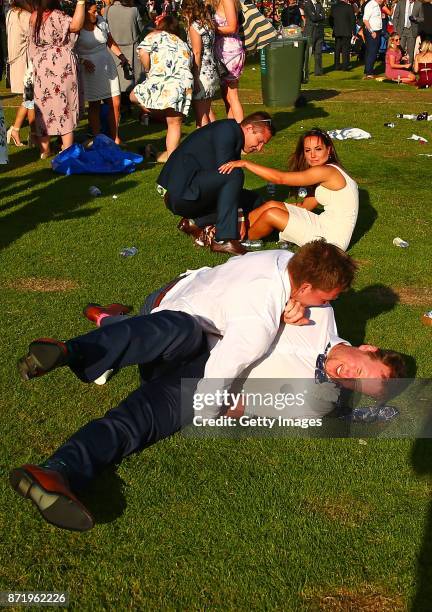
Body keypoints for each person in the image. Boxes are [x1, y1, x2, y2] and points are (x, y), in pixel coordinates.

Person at [11, 298, 406, 531]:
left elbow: (248, 407)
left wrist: (239, 406)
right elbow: (276, 277)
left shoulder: (316, 394)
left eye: (356, 386)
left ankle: (56, 471)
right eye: (361, 371)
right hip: (189, 333)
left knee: (135, 423)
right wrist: (289, 297)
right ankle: (72, 349)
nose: (348, 378)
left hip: (199, 379)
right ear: (368, 348)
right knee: (172, 330)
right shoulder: (319, 311)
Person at [218, 128, 359, 252]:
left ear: (329, 150)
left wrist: (245, 163)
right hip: (323, 223)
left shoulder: (326, 171)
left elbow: (281, 179)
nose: (313, 155)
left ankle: (236, 240)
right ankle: (228, 228)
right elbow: (306, 207)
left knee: (271, 214)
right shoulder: (329, 171)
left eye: (318, 149)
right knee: (272, 205)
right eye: (308, 150)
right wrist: (282, 208)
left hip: (331, 240)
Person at [158, 111, 274, 256]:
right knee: (235, 173)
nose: (260, 148)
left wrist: (239, 211)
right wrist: (239, 214)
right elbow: (226, 173)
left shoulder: (231, 132)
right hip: (182, 194)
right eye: (260, 141)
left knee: (255, 201)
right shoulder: (227, 130)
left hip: (194, 190)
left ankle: (195, 222)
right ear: (249, 128)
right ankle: (224, 239)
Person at [130, 16, 193, 163]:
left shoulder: (154, 35)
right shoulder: (182, 42)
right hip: (183, 82)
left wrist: (147, 69)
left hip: (164, 78)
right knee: (174, 123)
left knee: (134, 96)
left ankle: (155, 113)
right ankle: (172, 160)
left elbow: (143, 52)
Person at [28, 0, 85, 158]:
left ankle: (44, 149)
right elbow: (75, 26)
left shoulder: (33, 17)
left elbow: (31, 45)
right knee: (64, 104)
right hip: (60, 64)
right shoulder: (58, 15)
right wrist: (81, 3)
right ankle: (67, 148)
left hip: (41, 64)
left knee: (43, 106)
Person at [75, 0, 128, 145]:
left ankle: (115, 137)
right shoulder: (77, 27)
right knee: (94, 105)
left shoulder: (101, 21)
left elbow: (110, 41)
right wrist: (83, 61)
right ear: (84, 13)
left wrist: (122, 56)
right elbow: (70, 51)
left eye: (97, 10)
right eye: (93, 11)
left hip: (107, 64)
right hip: (90, 70)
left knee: (116, 103)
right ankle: (98, 138)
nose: (97, 13)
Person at [183, 0, 218, 128]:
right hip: (211, 70)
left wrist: (195, 77)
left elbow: (197, 53)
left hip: (202, 73)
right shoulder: (208, 24)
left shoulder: (194, 27)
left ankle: (204, 144)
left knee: (201, 118)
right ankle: (217, 139)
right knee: (208, 111)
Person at [104, 0, 145, 108]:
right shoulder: (134, 10)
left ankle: (119, 106)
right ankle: (129, 105)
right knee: (133, 78)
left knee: (115, 79)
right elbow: (141, 29)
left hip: (113, 49)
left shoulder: (108, 10)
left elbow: (103, 29)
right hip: (130, 47)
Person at [6, 0, 36, 147]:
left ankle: (19, 130)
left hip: (18, 60)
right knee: (31, 98)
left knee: (29, 98)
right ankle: (31, 133)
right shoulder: (25, 16)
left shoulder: (11, 13)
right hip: (25, 62)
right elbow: (34, 37)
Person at [211, 0, 245, 122]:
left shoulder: (227, 1)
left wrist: (210, 28)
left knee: (232, 96)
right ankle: (232, 128)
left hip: (229, 51)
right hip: (221, 50)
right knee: (227, 96)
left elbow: (232, 27)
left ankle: (240, 130)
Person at [329, 0, 356, 71]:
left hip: (337, 30)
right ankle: (345, 66)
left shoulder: (334, 7)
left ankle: (336, 65)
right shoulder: (349, 7)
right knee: (346, 49)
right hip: (346, 30)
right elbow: (352, 19)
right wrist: (354, 31)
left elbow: (330, 19)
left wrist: (334, 27)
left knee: (337, 48)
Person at [303, 0, 326, 79]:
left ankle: (318, 71)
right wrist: (319, 16)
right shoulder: (308, 4)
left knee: (318, 52)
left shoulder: (319, 4)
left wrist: (319, 16)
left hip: (319, 31)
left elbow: (323, 16)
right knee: (308, 53)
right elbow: (313, 18)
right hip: (310, 31)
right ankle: (304, 71)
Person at [362, 0, 385, 78]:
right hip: (372, 31)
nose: (382, 0)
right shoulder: (371, 5)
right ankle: (369, 72)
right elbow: (365, 20)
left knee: (372, 51)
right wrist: (372, 31)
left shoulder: (377, 5)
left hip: (377, 31)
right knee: (372, 52)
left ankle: (368, 70)